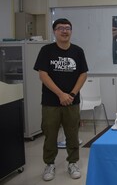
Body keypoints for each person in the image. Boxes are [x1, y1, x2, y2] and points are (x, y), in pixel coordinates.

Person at [34, 18, 88, 181]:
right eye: (60, 28)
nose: (65, 31)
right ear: (54, 31)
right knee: (50, 134)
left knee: (72, 133)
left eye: (68, 28)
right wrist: (60, 94)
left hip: (72, 101)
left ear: (71, 31)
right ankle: (49, 164)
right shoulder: (46, 50)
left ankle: (73, 163)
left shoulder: (78, 51)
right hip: (51, 102)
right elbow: (43, 75)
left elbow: (83, 74)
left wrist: (70, 94)